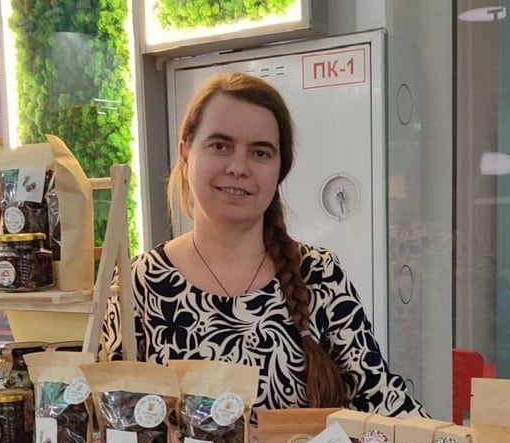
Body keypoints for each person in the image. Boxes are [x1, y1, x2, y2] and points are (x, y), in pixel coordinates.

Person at [105, 72, 427, 418]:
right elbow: (109, 421)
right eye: (220, 146)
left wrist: (455, 442)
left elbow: (382, 401)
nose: (238, 167)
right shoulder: (138, 284)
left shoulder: (319, 275)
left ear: (279, 171)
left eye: (260, 153)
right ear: (185, 156)